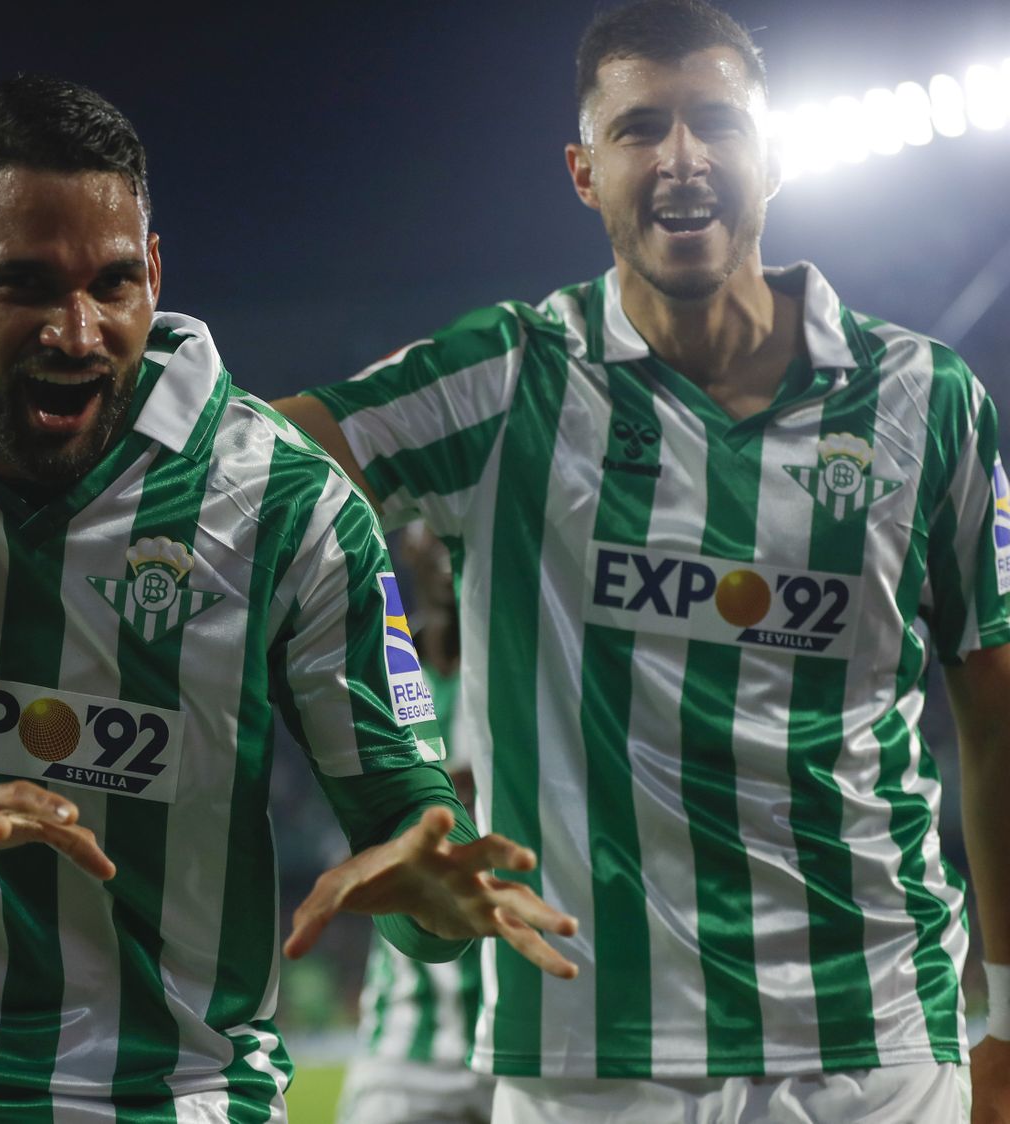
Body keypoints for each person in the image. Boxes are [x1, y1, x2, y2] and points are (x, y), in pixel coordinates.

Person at [0, 75, 577, 1124]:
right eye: (23, 283)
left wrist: (429, 900)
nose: (77, 331)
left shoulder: (285, 505)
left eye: (113, 283)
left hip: (171, 1092)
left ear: (155, 272)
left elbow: (400, 817)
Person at [271, 2, 1010, 1119]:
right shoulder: (511, 376)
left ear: (773, 155)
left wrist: (1004, 1016)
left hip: (875, 1044)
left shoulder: (924, 398)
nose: (682, 157)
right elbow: (245, 466)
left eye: (716, 121)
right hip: (589, 1055)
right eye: (640, 128)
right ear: (582, 171)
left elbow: (998, 719)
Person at [334, 525, 491, 1124]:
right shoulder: (391, 688)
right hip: (407, 1051)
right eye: (429, 526)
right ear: (410, 552)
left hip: (533, 1046)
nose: (447, 549)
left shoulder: (543, 689)